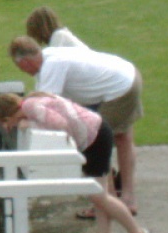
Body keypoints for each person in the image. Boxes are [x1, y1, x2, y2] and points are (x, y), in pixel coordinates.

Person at [0, 92, 151, 233]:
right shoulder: (31, 102)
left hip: (94, 138)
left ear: (8, 116)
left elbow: (61, 124)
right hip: (96, 134)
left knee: (99, 196)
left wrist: (30, 124)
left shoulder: (30, 108)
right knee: (99, 196)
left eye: (5, 123)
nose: (8, 127)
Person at [8, 36, 143, 215]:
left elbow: (44, 106)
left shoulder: (51, 66)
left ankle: (107, 202)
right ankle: (126, 198)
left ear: (25, 62)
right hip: (127, 74)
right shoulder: (47, 57)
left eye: (20, 67)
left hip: (120, 87)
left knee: (99, 144)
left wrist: (18, 117)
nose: (22, 71)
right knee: (122, 138)